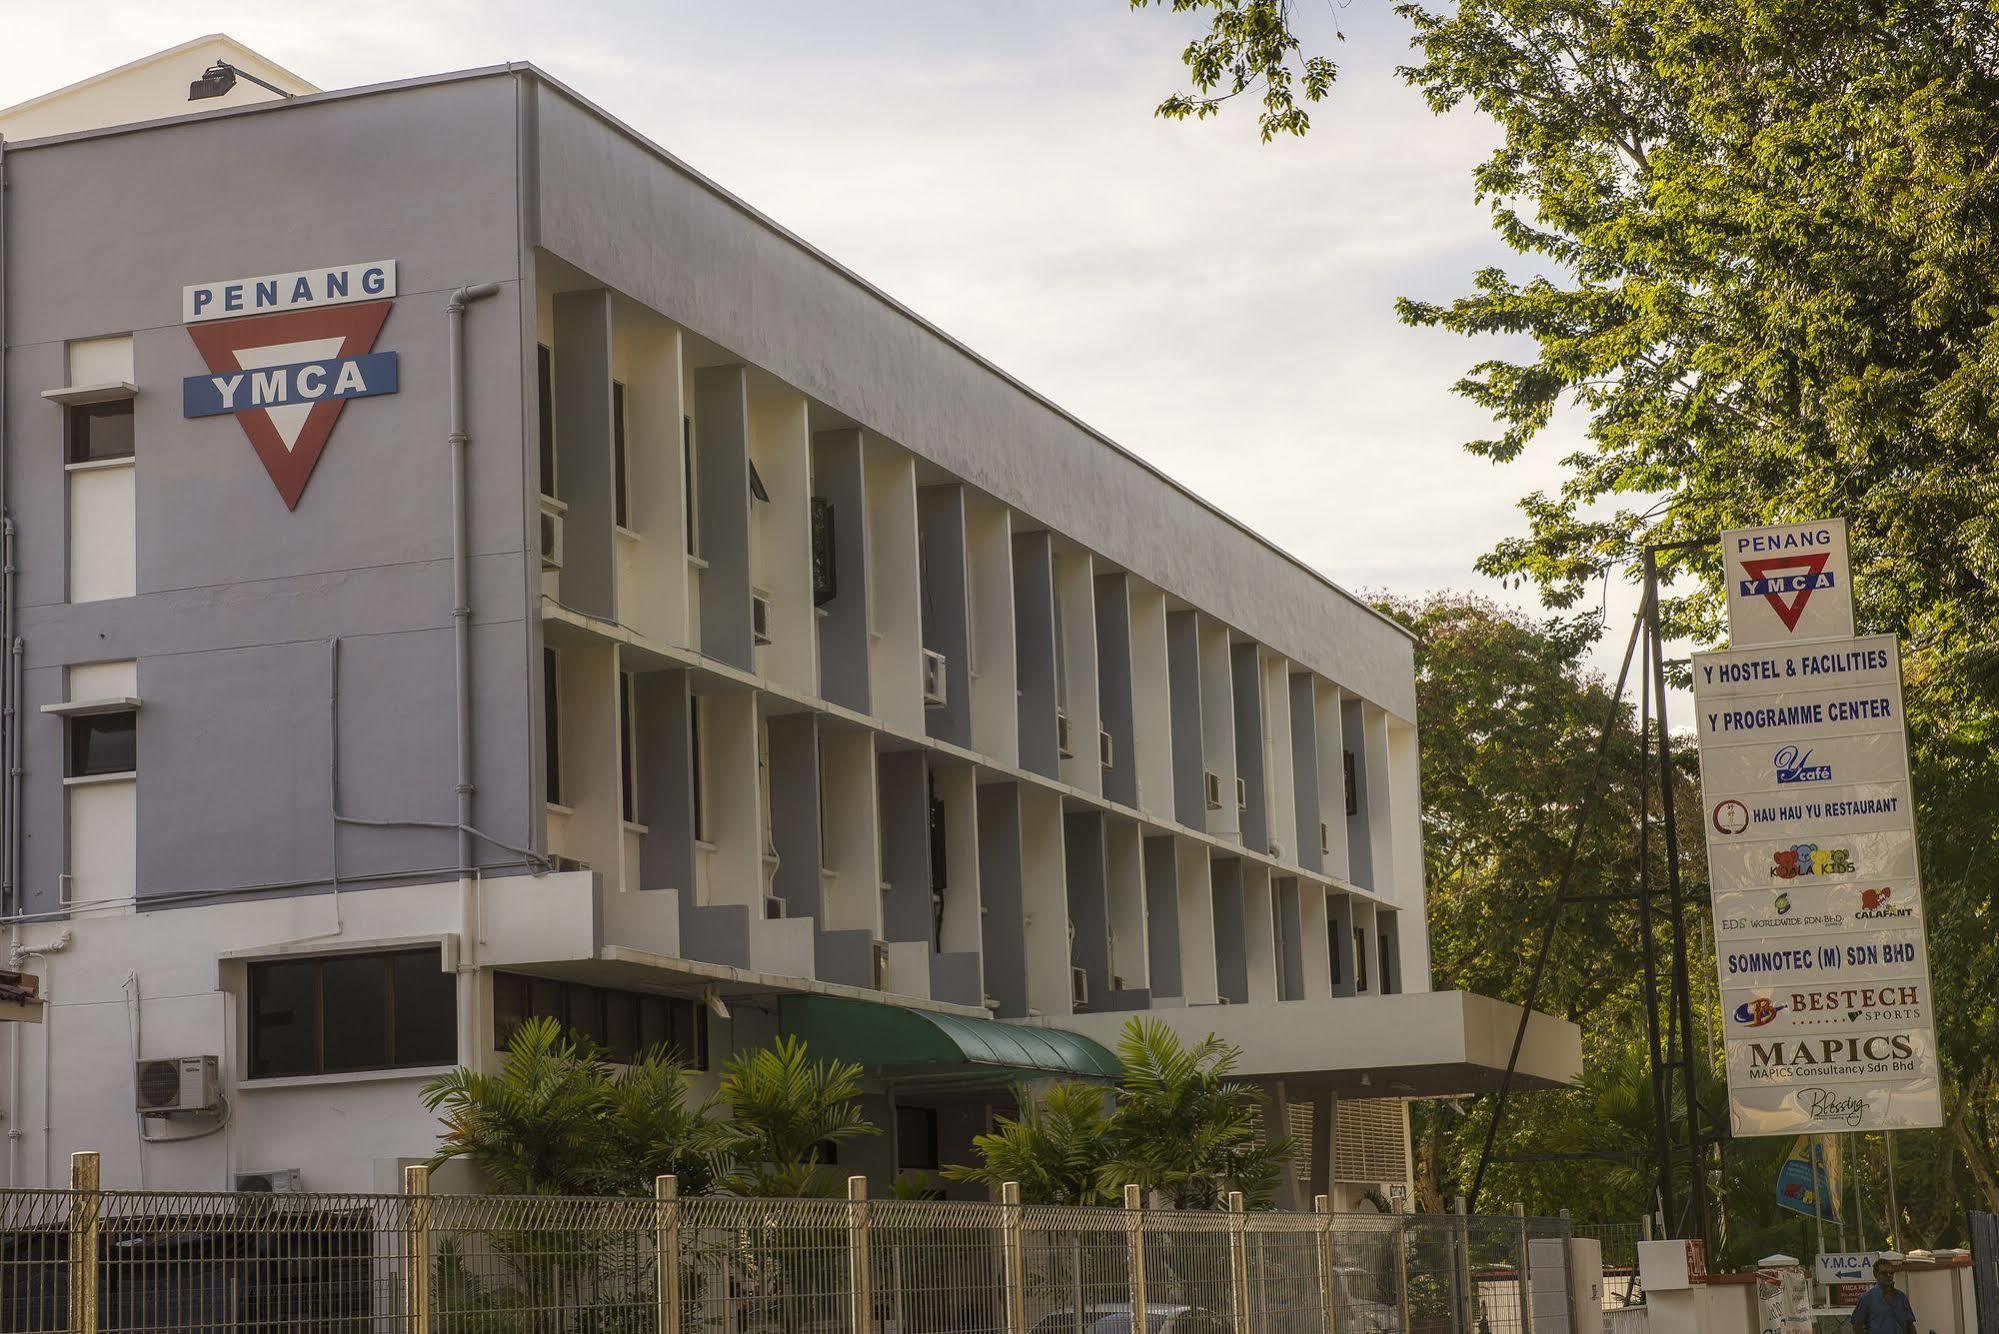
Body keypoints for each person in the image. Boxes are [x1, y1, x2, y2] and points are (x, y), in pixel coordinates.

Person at [1850, 1257, 1916, 1333]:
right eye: (1884, 1273)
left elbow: (1910, 1325)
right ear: (1875, 1274)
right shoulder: (1867, 1298)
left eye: (1891, 1273)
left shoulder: (1901, 1297)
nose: (1888, 1275)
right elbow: (1857, 1326)